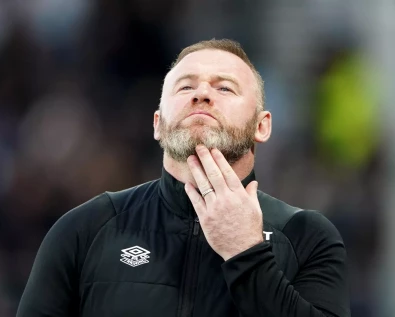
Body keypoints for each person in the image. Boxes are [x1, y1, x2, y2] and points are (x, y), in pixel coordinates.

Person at [17, 39, 350, 317]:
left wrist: (246, 253)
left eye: (225, 87)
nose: (201, 94)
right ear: (158, 123)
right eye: (186, 85)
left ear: (261, 126)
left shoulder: (308, 237)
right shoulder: (84, 230)